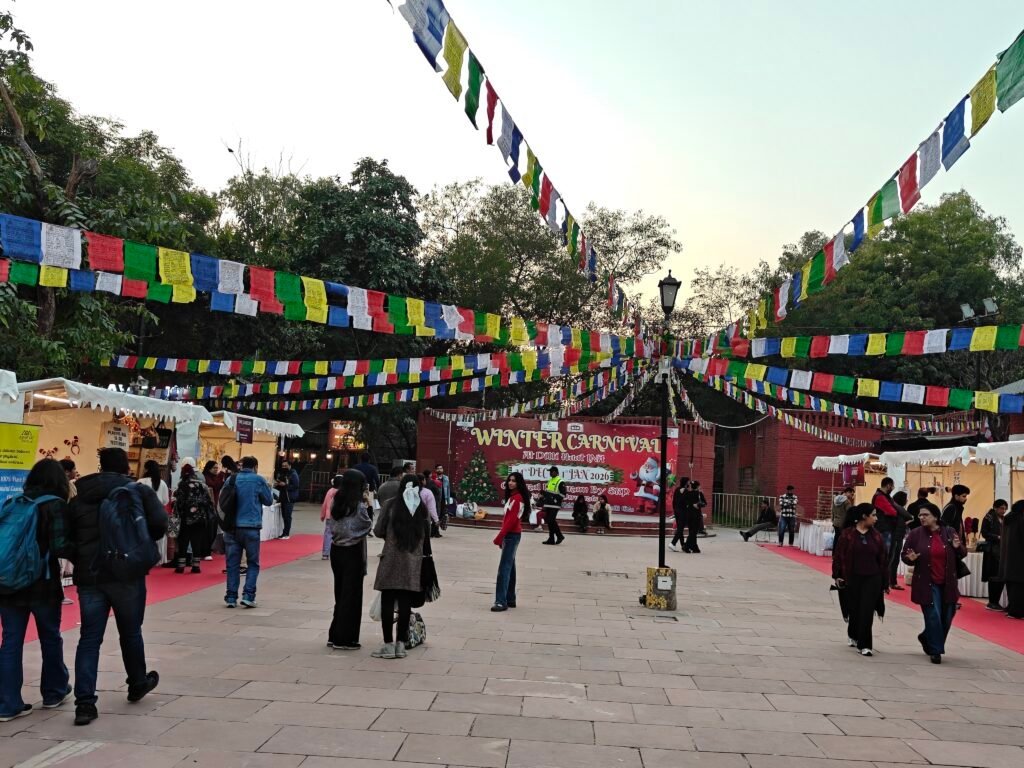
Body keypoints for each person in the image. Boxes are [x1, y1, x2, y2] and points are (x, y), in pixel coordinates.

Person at [67, 447, 167, 725]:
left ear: (100, 466)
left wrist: (81, 555)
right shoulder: (136, 490)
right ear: (126, 467)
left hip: (91, 574)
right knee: (131, 632)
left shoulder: (79, 491)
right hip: (127, 572)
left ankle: (85, 703)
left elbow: (65, 533)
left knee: (89, 639)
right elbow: (160, 523)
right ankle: (137, 681)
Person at [0, 459, 72, 723]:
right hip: (42, 583)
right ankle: (54, 691)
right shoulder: (55, 505)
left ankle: (7, 704)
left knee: (10, 642)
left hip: (8, 583)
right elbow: (61, 545)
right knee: (50, 637)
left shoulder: (13, 503)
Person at [372, 474, 430, 659]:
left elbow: (379, 530)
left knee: (388, 601)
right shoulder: (421, 508)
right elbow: (426, 535)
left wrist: (390, 537)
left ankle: (388, 645)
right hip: (412, 561)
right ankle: (400, 645)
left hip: (391, 558)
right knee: (405, 603)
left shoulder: (390, 504)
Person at [901, 502, 967, 664]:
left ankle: (926, 637)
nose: (922, 518)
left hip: (947, 582)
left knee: (947, 616)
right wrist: (910, 559)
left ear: (935, 516)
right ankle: (936, 651)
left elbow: (962, 552)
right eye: (920, 515)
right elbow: (905, 555)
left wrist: (958, 548)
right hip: (926, 582)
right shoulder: (915, 534)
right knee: (933, 616)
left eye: (925, 515)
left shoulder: (949, 532)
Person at [832, 504, 887, 656]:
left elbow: (883, 559)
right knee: (854, 609)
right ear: (864, 516)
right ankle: (853, 633)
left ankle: (865, 645)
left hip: (872, 578)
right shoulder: (847, 534)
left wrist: (885, 581)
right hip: (852, 577)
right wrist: (837, 575)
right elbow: (839, 556)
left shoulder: (876, 536)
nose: (876, 519)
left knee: (867, 610)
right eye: (873, 515)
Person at [327, 469, 372, 649]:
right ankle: (345, 637)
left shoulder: (336, 502)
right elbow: (366, 526)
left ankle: (335, 633)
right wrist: (368, 506)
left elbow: (333, 526)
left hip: (336, 550)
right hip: (353, 551)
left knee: (340, 593)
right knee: (351, 595)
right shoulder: (358, 506)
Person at [223, 456, 273, 609]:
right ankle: (248, 595)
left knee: (232, 564)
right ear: (255, 466)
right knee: (252, 563)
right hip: (251, 526)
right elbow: (268, 500)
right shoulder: (259, 480)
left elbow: (222, 499)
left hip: (231, 527)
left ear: (242, 465)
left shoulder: (231, 479)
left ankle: (231, 597)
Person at [493, 472, 528, 612]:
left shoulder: (517, 498)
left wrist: (500, 536)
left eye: (514, 481)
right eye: (509, 480)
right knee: (510, 568)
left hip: (511, 535)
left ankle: (501, 601)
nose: (510, 483)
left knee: (504, 570)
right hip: (511, 535)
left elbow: (511, 521)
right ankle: (510, 598)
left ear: (519, 483)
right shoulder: (513, 497)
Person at [171, 459, 213, 574]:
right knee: (196, 541)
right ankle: (196, 566)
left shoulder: (182, 485)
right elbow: (209, 502)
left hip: (185, 518)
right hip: (199, 518)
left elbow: (178, 503)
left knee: (183, 541)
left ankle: (180, 566)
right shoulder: (202, 485)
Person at [980, 499, 1007, 611]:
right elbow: (984, 533)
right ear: (995, 508)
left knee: (1000, 576)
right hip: (992, 551)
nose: (1003, 510)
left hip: (1002, 551)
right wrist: (998, 537)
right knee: (993, 576)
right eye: (1001, 508)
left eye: (1005, 508)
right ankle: (992, 602)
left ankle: (996, 601)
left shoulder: (1004, 519)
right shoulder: (989, 517)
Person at [1000, 499, 1024, 619]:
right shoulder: (1020, 519)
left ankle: (1011, 608)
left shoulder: (1009, 518)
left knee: (1011, 585)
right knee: (1019, 587)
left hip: (1008, 558)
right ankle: (1017, 611)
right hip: (1020, 558)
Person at [888, 491, 914, 591]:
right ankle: (892, 582)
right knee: (893, 560)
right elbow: (908, 517)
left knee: (893, 560)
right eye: (906, 498)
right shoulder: (899, 509)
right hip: (896, 537)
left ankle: (891, 581)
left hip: (897, 536)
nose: (907, 500)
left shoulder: (895, 509)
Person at [539, 466, 566, 545]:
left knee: (551, 520)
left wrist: (551, 496)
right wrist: (544, 494)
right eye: (550, 471)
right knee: (549, 521)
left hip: (555, 505)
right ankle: (551, 539)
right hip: (548, 504)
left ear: (556, 472)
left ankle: (559, 535)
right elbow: (549, 492)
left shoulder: (560, 481)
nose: (550, 473)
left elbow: (563, 495)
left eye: (552, 471)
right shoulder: (550, 481)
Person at [274, 461, 300, 540]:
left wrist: (285, 485)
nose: (284, 467)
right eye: (283, 466)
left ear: (290, 465)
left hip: (290, 498)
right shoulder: (283, 474)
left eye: (285, 466)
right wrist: (278, 484)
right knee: (284, 516)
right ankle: (284, 533)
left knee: (287, 516)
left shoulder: (293, 474)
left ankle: (286, 533)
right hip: (283, 497)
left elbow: (296, 486)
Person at [321, 475, 343, 560]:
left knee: (328, 534)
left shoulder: (330, 491)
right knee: (340, 535)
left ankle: (325, 553)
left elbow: (325, 504)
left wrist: (322, 515)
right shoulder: (343, 492)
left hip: (329, 516)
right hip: (340, 517)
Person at [669, 477, 689, 552]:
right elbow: (686, 502)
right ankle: (673, 543)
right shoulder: (686, 491)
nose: (689, 483)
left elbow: (674, 501)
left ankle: (683, 545)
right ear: (686, 483)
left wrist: (674, 509)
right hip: (683, 511)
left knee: (679, 528)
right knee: (680, 528)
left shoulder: (677, 489)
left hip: (677, 511)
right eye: (688, 482)